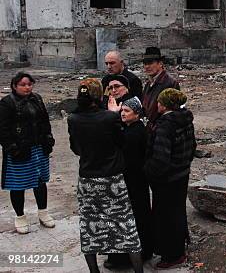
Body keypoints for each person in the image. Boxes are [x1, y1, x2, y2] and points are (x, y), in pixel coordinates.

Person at [68, 79, 143, 273]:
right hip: (112, 179)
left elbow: (76, 149)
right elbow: (121, 142)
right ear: (98, 95)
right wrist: (114, 115)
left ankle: (94, 270)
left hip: (87, 180)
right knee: (125, 224)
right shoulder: (109, 118)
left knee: (89, 224)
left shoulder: (73, 119)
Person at [144, 88, 195, 270]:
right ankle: (180, 247)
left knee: (166, 217)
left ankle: (173, 255)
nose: (156, 104)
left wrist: (148, 171)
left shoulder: (166, 125)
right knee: (178, 212)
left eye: (159, 102)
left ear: (164, 105)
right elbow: (192, 147)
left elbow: (160, 159)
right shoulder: (186, 119)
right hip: (182, 174)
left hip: (167, 180)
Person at [0, 72, 55, 234]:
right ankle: (20, 217)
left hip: (38, 148)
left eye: (29, 84)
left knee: (40, 181)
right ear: (14, 86)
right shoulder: (7, 103)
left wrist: (49, 138)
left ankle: (43, 213)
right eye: (23, 85)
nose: (27, 87)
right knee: (18, 185)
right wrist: (12, 148)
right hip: (19, 150)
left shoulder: (36, 99)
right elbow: (2, 130)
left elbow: (45, 120)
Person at [104, 97, 152, 270]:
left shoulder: (134, 133)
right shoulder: (135, 128)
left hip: (133, 182)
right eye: (122, 111)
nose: (123, 114)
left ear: (137, 114)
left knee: (134, 218)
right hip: (137, 181)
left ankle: (131, 256)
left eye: (126, 111)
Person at [141, 47, 180, 129]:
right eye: (145, 63)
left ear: (160, 63)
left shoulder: (170, 83)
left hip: (162, 131)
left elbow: (173, 113)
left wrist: (157, 127)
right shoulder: (148, 84)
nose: (147, 66)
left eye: (150, 63)